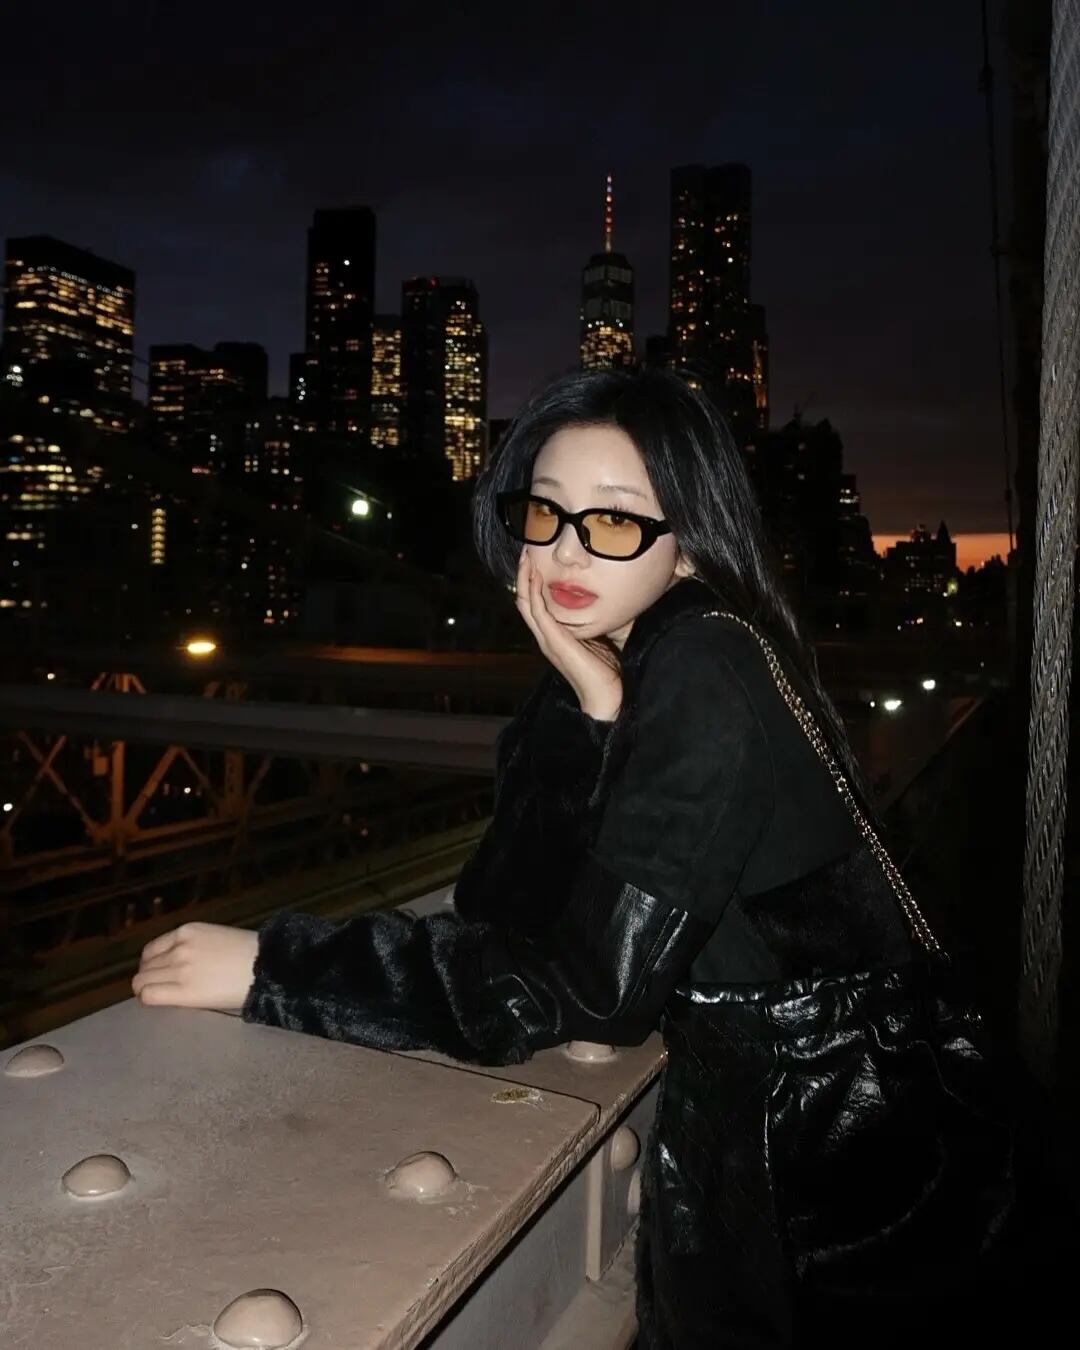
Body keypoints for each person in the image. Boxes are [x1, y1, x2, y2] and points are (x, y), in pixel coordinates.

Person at [132, 369, 1017, 1347]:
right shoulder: (642, 659)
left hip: (841, 1183)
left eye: (615, 520)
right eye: (545, 513)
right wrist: (595, 711)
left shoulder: (703, 671)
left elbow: (591, 987)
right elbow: (503, 904)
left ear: (689, 539)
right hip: (803, 1139)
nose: (563, 550)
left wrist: (278, 968)